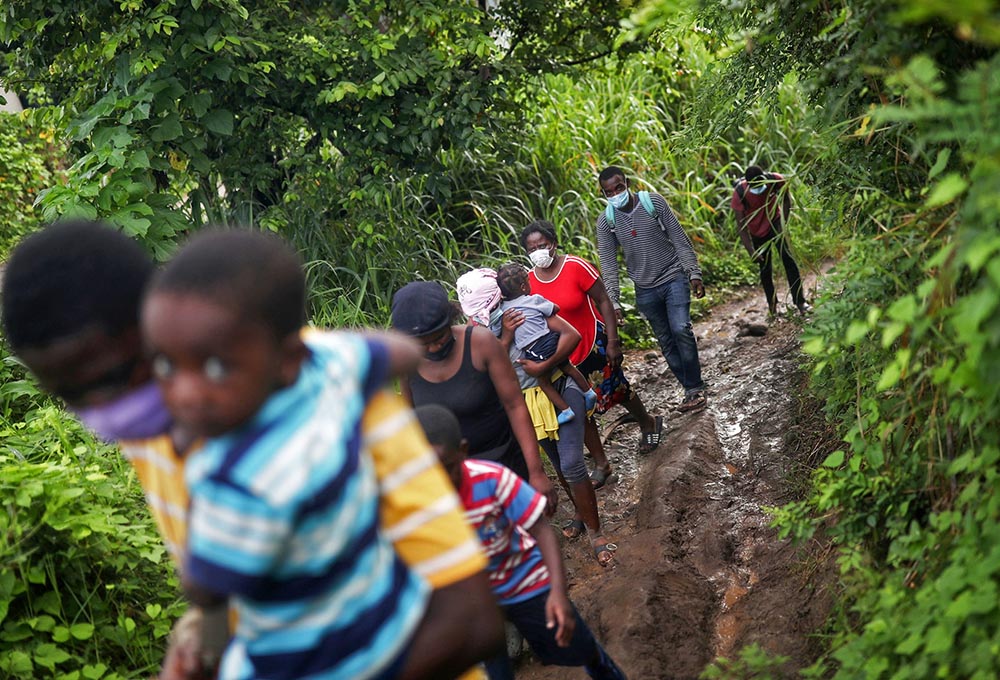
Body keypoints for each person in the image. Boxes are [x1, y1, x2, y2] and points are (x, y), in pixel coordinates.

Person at [2, 221, 501, 680]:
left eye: (108, 380)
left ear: (152, 325)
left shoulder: (319, 393)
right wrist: (207, 641)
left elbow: (471, 623)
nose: (103, 412)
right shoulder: (154, 425)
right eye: (69, 396)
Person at [415, 404, 628, 680]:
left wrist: (558, 593)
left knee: (577, 645)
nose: (440, 481)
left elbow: (541, 531)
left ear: (463, 452)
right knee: (496, 671)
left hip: (524, 580)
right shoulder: (418, 507)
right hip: (476, 602)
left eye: (446, 468)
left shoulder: (491, 479)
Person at [391, 280, 557, 511]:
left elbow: (515, 405)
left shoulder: (481, 343)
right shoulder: (406, 364)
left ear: (449, 323)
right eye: (422, 345)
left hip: (504, 464)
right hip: (452, 478)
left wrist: (536, 472)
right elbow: (411, 423)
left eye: (439, 338)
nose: (433, 348)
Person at [519, 220, 661, 485]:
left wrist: (613, 341)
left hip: (592, 345)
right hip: (561, 357)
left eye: (543, 245)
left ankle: (648, 422)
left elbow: (604, 300)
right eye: (532, 248)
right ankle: (601, 463)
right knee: (581, 408)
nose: (539, 251)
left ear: (554, 243)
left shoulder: (575, 266)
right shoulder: (528, 282)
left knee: (618, 389)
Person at [456, 266, 596, 425]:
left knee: (545, 383)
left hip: (546, 370)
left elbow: (572, 335)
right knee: (569, 368)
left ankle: (566, 410)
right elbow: (485, 367)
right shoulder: (531, 301)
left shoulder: (509, 313)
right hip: (537, 370)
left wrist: (543, 366)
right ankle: (588, 392)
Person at [731, 165, 810, 317]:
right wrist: (751, 251)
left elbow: (787, 199)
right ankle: (772, 307)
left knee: (789, 261)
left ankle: (800, 302)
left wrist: (783, 224)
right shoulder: (740, 193)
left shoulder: (775, 180)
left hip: (775, 223)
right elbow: (741, 227)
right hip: (756, 232)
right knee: (765, 269)